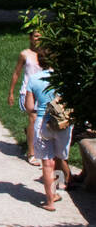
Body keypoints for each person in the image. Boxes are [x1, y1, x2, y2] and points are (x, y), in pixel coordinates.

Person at [23, 44, 79, 211]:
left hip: (43, 123)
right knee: (60, 158)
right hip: (63, 123)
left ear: (40, 61)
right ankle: (59, 187)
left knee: (47, 163)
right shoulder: (65, 79)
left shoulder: (34, 80)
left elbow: (29, 106)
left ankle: (50, 201)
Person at [8, 28, 43, 167]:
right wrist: (11, 92)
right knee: (33, 119)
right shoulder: (25, 54)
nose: (37, 39)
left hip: (42, 92)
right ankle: (31, 153)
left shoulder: (46, 54)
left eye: (40, 36)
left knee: (40, 122)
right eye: (35, 36)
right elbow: (16, 73)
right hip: (27, 92)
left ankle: (30, 133)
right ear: (30, 38)